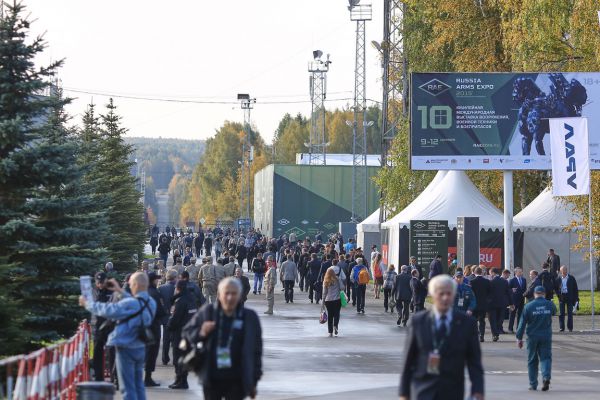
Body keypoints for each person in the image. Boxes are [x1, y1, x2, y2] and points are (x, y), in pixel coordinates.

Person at [399, 275, 484, 400]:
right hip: (423, 390)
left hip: (452, 391)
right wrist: (404, 393)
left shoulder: (467, 324)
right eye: (441, 293)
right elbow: (408, 361)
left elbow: (474, 362)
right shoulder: (418, 321)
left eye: (449, 294)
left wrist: (478, 391)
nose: (445, 297)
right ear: (433, 295)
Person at [80, 272, 157, 400]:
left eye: (131, 284)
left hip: (126, 347)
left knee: (127, 387)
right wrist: (120, 290)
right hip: (140, 346)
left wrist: (88, 304)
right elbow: (136, 303)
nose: (130, 287)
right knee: (138, 384)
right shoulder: (150, 302)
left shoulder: (131, 304)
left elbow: (109, 310)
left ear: (136, 285)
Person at [183, 277, 262, 399]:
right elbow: (187, 333)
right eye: (227, 293)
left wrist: (254, 381)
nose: (230, 297)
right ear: (219, 295)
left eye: (234, 293)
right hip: (212, 378)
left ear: (240, 295)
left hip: (238, 379)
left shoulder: (249, 317)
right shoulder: (208, 312)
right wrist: (201, 332)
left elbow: (256, 351)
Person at [516, 286, 557, 391]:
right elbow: (554, 311)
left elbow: (522, 324)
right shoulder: (550, 304)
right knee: (546, 358)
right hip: (546, 336)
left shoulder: (528, 306)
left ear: (534, 294)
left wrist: (519, 338)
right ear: (544, 294)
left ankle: (533, 384)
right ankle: (546, 376)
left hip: (532, 336)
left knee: (532, 360)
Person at [167, 279, 198, 389]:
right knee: (184, 358)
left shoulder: (180, 301)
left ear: (178, 288)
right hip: (189, 334)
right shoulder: (192, 299)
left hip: (179, 334)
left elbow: (175, 319)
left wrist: (169, 326)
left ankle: (181, 380)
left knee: (177, 359)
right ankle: (181, 379)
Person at [145, 272, 167, 387]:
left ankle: (147, 377)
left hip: (147, 325)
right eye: (156, 279)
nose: (158, 281)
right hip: (153, 325)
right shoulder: (154, 292)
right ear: (152, 280)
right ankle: (147, 378)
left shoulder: (145, 292)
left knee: (148, 351)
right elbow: (160, 309)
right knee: (152, 352)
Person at [91, 272, 113, 382]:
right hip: (97, 326)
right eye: (98, 282)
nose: (100, 284)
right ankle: (99, 377)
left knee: (112, 352)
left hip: (109, 325)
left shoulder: (111, 291)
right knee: (97, 352)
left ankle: (114, 377)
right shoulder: (93, 291)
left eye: (102, 282)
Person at [488, 268, 514, 342]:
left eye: (490, 273)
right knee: (500, 318)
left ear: (493, 273)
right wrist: (511, 303)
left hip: (492, 303)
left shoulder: (490, 281)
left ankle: (495, 334)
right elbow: (508, 293)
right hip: (502, 303)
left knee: (492, 319)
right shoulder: (504, 281)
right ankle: (497, 331)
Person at [158, 269, 177, 366]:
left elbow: (160, 303)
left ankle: (165, 358)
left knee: (166, 339)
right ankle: (176, 359)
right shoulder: (179, 287)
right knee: (176, 339)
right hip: (177, 317)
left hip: (166, 316)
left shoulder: (161, 288)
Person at [555, 265, 579, 332]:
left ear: (566, 270)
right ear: (560, 271)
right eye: (562, 271)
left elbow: (575, 289)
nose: (563, 272)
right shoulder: (558, 278)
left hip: (569, 297)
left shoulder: (571, 278)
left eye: (564, 270)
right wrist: (558, 295)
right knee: (561, 313)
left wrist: (576, 298)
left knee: (570, 313)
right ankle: (562, 328)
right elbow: (556, 288)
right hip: (562, 297)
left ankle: (570, 328)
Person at [470, 266, 491, 342]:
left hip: (474, 305)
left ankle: (475, 335)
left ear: (475, 273)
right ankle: (482, 335)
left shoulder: (472, 282)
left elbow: (470, 294)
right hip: (483, 304)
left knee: (474, 321)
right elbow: (489, 293)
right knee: (482, 321)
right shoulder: (487, 281)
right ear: (482, 272)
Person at [322, 268, 342, 337]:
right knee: (337, 314)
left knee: (330, 316)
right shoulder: (337, 279)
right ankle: (335, 325)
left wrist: (323, 303)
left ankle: (330, 332)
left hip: (328, 300)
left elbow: (324, 293)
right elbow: (342, 287)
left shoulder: (325, 280)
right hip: (337, 299)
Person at [508, 267, 527, 333]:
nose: (521, 273)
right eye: (519, 272)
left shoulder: (524, 280)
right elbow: (508, 290)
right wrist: (511, 290)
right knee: (512, 314)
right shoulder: (512, 280)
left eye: (521, 271)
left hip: (521, 299)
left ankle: (519, 328)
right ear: (516, 272)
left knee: (520, 314)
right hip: (514, 300)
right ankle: (510, 329)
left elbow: (524, 289)